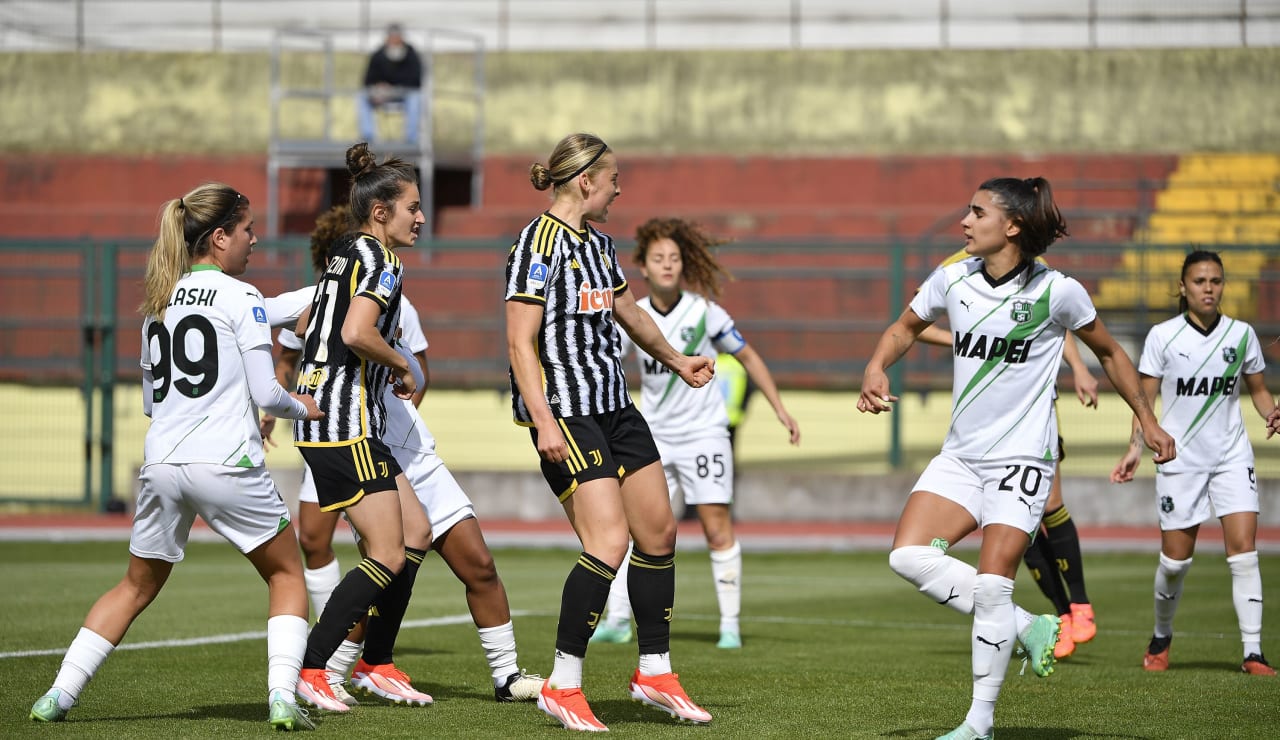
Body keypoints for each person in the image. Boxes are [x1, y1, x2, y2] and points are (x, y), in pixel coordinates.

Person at [858, 176, 1175, 740]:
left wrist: (1147, 420)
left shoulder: (1059, 292)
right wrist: (876, 366)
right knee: (906, 557)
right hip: (961, 457)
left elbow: (1110, 352)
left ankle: (978, 724)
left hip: (1023, 461)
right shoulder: (952, 279)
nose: (964, 221)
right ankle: (1030, 625)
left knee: (992, 582)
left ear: (1012, 226)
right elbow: (904, 328)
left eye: (976, 212)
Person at [28, 184, 324, 731]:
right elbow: (267, 394)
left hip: (162, 462)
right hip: (224, 462)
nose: (254, 239)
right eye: (247, 229)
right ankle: (283, 697)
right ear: (219, 237)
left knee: (135, 585)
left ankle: (57, 696)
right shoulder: (241, 297)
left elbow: (149, 401)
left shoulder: (156, 303)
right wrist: (308, 407)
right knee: (286, 575)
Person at [263, 205, 543, 704]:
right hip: (350, 431)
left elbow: (414, 369)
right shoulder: (364, 275)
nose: (421, 217)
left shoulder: (381, 288)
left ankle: (405, 665)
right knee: (374, 551)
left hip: (398, 442)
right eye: (413, 208)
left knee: (452, 553)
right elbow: (312, 330)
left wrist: (404, 370)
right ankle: (322, 667)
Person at [505, 133, 715, 731]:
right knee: (607, 541)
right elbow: (520, 342)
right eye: (614, 178)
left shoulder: (598, 242)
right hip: (567, 413)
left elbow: (628, 311)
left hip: (616, 408)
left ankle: (654, 670)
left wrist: (676, 359)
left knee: (660, 533)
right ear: (586, 181)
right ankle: (563, 684)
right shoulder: (534, 244)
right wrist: (543, 420)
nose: (621, 188)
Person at [590, 217, 800, 650]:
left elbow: (748, 356)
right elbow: (606, 361)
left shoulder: (705, 312)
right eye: (658, 259)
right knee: (633, 527)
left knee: (715, 526)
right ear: (642, 268)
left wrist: (780, 408)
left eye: (674, 258)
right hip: (653, 437)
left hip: (704, 434)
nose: (667, 265)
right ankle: (617, 619)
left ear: (683, 265)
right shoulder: (634, 314)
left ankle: (729, 625)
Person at [291, 143, 434, 713]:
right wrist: (401, 363)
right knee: (388, 554)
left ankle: (377, 663)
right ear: (381, 212)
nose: (421, 218)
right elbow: (354, 333)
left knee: (416, 532)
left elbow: (309, 323)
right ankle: (312, 667)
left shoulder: (346, 251)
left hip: (343, 418)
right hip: (342, 424)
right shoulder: (382, 260)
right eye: (413, 208)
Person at [916, 248, 1102, 660]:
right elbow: (913, 323)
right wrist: (966, 339)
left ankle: (1080, 605)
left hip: (1033, 408)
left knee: (1049, 504)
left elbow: (1058, 325)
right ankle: (1061, 617)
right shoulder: (954, 270)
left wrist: (1080, 369)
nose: (971, 221)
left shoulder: (1037, 272)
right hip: (984, 419)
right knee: (1021, 525)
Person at [1111, 250, 1280, 676]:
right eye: (1200, 281)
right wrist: (1134, 447)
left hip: (1230, 455)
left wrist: (1272, 411)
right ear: (1183, 287)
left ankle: (1253, 652)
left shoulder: (1241, 335)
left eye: (1216, 281)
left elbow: (1258, 391)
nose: (1209, 288)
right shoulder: (1162, 336)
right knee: (1175, 562)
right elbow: (1144, 401)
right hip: (1178, 460)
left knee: (1244, 552)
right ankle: (1162, 634)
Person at [357, 23, 423, 146]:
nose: (394, 41)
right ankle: (368, 136)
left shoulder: (412, 55)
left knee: (416, 98)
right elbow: (367, 80)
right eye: (391, 38)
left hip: (404, 95)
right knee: (362, 96)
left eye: (397, 38)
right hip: (382, 95)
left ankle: (411, 139)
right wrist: (378, 87)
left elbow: (416, 81)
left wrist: (397, 88)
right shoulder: (378, 55)